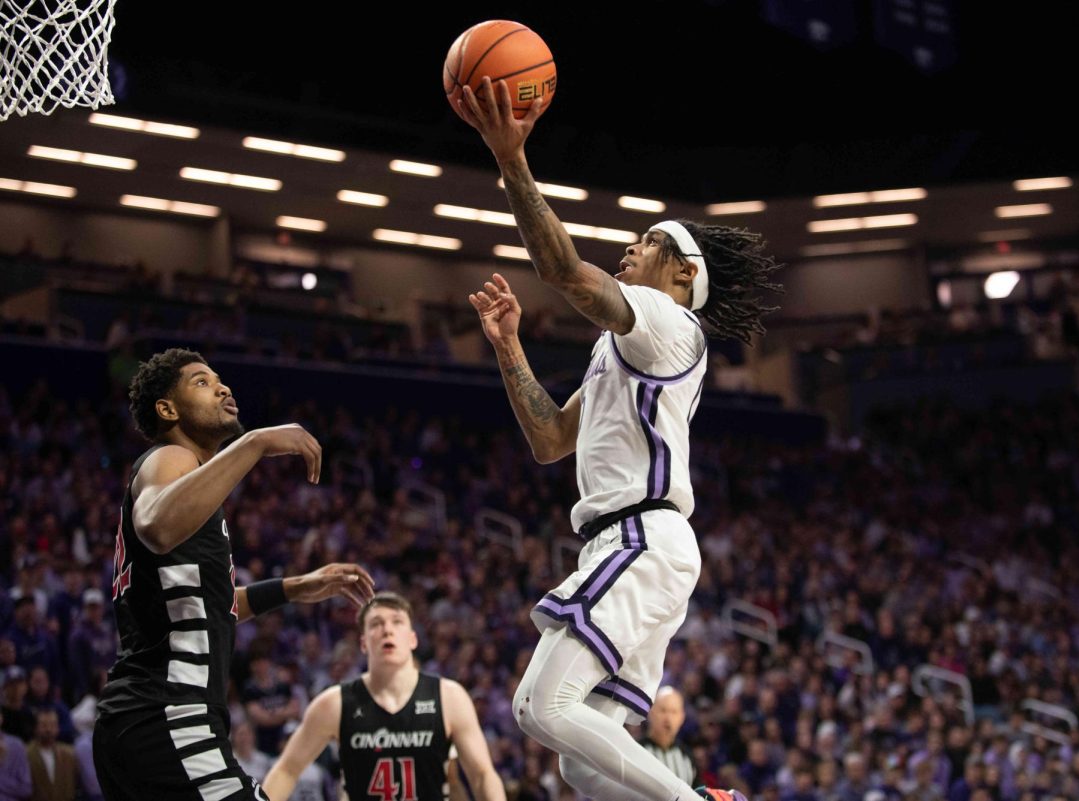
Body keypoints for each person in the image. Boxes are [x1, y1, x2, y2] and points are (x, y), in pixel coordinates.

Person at [458, 77, 782, 801]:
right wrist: (510, 346)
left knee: (540, 706)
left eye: (647, 243)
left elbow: (563, 272)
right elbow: (549, 439)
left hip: (642, 538)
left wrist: (512, 160)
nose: (630, 249)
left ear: (684, 273)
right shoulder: (625, 349)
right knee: (583, 762)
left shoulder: (668, 325)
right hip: (635, 543)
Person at [92, 348, 376, 801]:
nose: (223, 387)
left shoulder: (194, 488)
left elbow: (205, 607)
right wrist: (256, 442)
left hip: (146, 720)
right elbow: (157, 526)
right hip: (167, 713)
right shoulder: (170, 457)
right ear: (167, 409)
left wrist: (295, 587)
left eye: (220, 379)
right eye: (202, 382)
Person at [262, 592, 505, 801]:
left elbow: (482, 775)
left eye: (397, 622)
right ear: (363, 643)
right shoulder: (334, 703)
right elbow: (286, 770)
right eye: (376, 623)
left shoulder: (449, 697)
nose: (387, 630)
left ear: (412, 638)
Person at [641, 686, 697, 786]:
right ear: (650, 711)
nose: (668, 718)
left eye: (674, 712)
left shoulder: (686, 755)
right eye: (663, 710)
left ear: (682, 717)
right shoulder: (637, 749)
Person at [26, 709, 78, 801]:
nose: (48, 729)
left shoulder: (69, 754)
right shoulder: (26, 754)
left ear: (58, 728)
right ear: (36, 728)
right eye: (44, 725)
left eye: (52, 725)